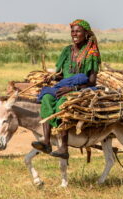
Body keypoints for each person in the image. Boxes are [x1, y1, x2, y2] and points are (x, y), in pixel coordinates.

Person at [31, 19, 101, 159]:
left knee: (62, 102)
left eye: (78, 31)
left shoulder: (92, 53)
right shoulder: (67, 51)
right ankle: (46, 141)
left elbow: (92, 82)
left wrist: (72, 88)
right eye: (72, 31)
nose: (74, 34)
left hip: (80, 89)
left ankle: (63, 147)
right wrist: (52, 78)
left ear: (86, 34)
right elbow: (62, 75)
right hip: (63, 86)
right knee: (46, 97)